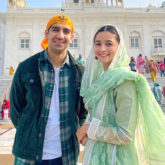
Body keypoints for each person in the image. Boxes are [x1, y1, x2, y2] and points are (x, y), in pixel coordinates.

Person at [76, 25, 165, 165]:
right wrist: (88, 132)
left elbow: (125, 134)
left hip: (116, 158)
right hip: (95, 154)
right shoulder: (100, 79)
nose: (102, 49)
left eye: (109, 44)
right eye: (98, 44)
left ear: (119, 47)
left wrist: (89, 129)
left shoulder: (124, 81)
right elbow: (99, 116)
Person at [10, 14, 87, 165]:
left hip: (65, 155)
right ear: (46, 33)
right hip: (28, 154)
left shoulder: (79, 72)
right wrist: (29, 132)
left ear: (72, 37)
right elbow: (15, 110)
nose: (60, 35)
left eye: (66, 31)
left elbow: (83, 111)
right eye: (55, 29)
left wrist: (76, 133)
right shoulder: (27, 67)